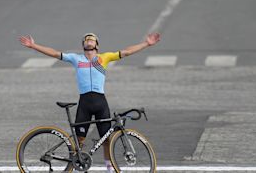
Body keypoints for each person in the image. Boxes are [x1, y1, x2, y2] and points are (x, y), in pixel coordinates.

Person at [19, 32, 160, 172]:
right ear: (83, 45)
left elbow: (127, 52)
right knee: (79, 141)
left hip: (101, 103)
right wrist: (33, 46)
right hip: (85, 103)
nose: (89, 40)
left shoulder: (104, 58)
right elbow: (55, 53)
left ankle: (110, 169)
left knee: (107, 140)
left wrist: (146, 44)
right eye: (86, 39)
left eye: (92, 39)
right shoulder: (76, 59)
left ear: (97, 45)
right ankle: (75, 166)